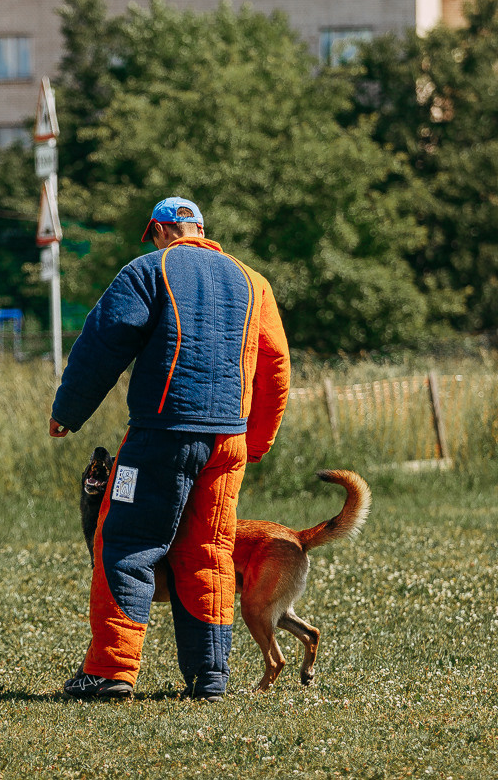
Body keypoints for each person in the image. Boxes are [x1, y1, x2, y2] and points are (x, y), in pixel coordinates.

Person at [48, 196, 290, 701]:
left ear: (160, 230)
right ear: (201, 228)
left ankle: (111, 672)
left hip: (158, 437)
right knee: (208, 553)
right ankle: (211, 677)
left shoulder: (147, 271)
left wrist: (69, 411)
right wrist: (258, 438)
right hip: (228, 443)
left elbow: (103, 340)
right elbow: (275, 367)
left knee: (125, 545)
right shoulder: (254, 281)